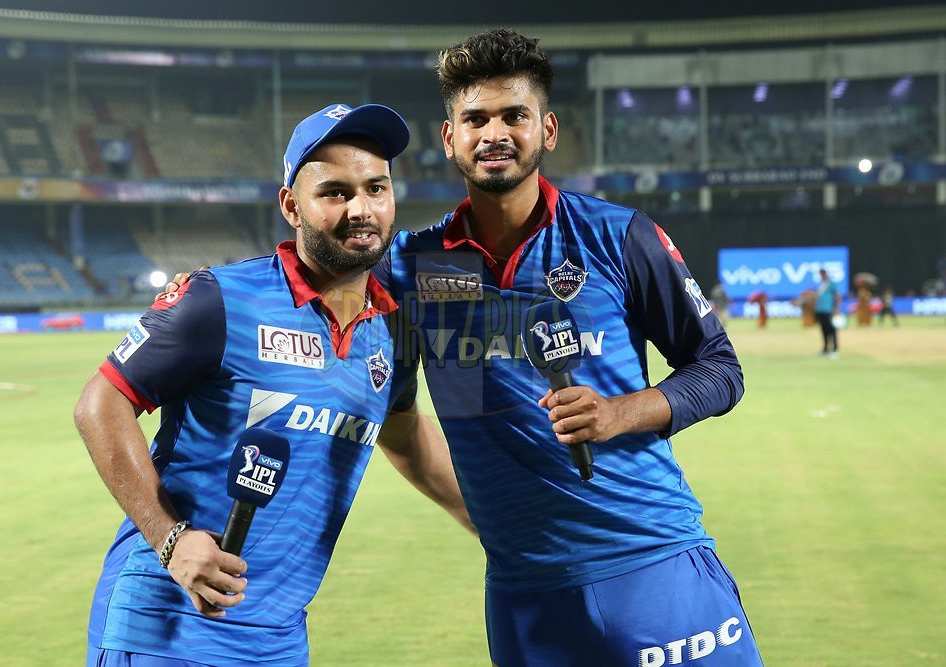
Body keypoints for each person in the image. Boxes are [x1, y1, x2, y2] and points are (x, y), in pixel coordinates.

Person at [169, 29, 762, 667]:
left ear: (548, 130)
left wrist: (621, 412)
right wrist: (198, 294)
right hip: (523, 594)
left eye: (515, 116)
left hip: (654, 560)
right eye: (475, 119)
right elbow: (379, 391)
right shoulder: (409, 267)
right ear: (449, 138)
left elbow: (719, 369)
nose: (494, 133)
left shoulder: (618, 237)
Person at [74, 103, 472, 667]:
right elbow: (100, 403)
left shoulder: (392, 329)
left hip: (279, 639)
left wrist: (496, 528)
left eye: (376, 189)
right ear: (291, 206)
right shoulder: (220, 299)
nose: (361, 209)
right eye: (334, 192)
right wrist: (170, 539)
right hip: (167, 628)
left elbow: (404, 433)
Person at [814, 268, 841, 358]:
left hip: (829, 310)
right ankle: (826, 349)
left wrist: (836, 308)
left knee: (832, 330)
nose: (821, 276)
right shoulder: (821, 285)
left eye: (822, 274)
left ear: (826, 274)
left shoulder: (831, 284)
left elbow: (837, 296)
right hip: (820, 310)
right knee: (824, 330)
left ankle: (834, 349)